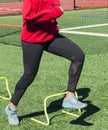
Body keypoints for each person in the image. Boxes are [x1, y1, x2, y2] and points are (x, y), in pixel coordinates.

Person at [5, 0, 87, 126]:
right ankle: (11, 108)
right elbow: (28, 18)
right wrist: (52, 13)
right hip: (32, 40)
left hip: (50, 36)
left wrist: (53, 18)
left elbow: (55, 9)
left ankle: (69, 97)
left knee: (78, 56)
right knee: (29, 75)